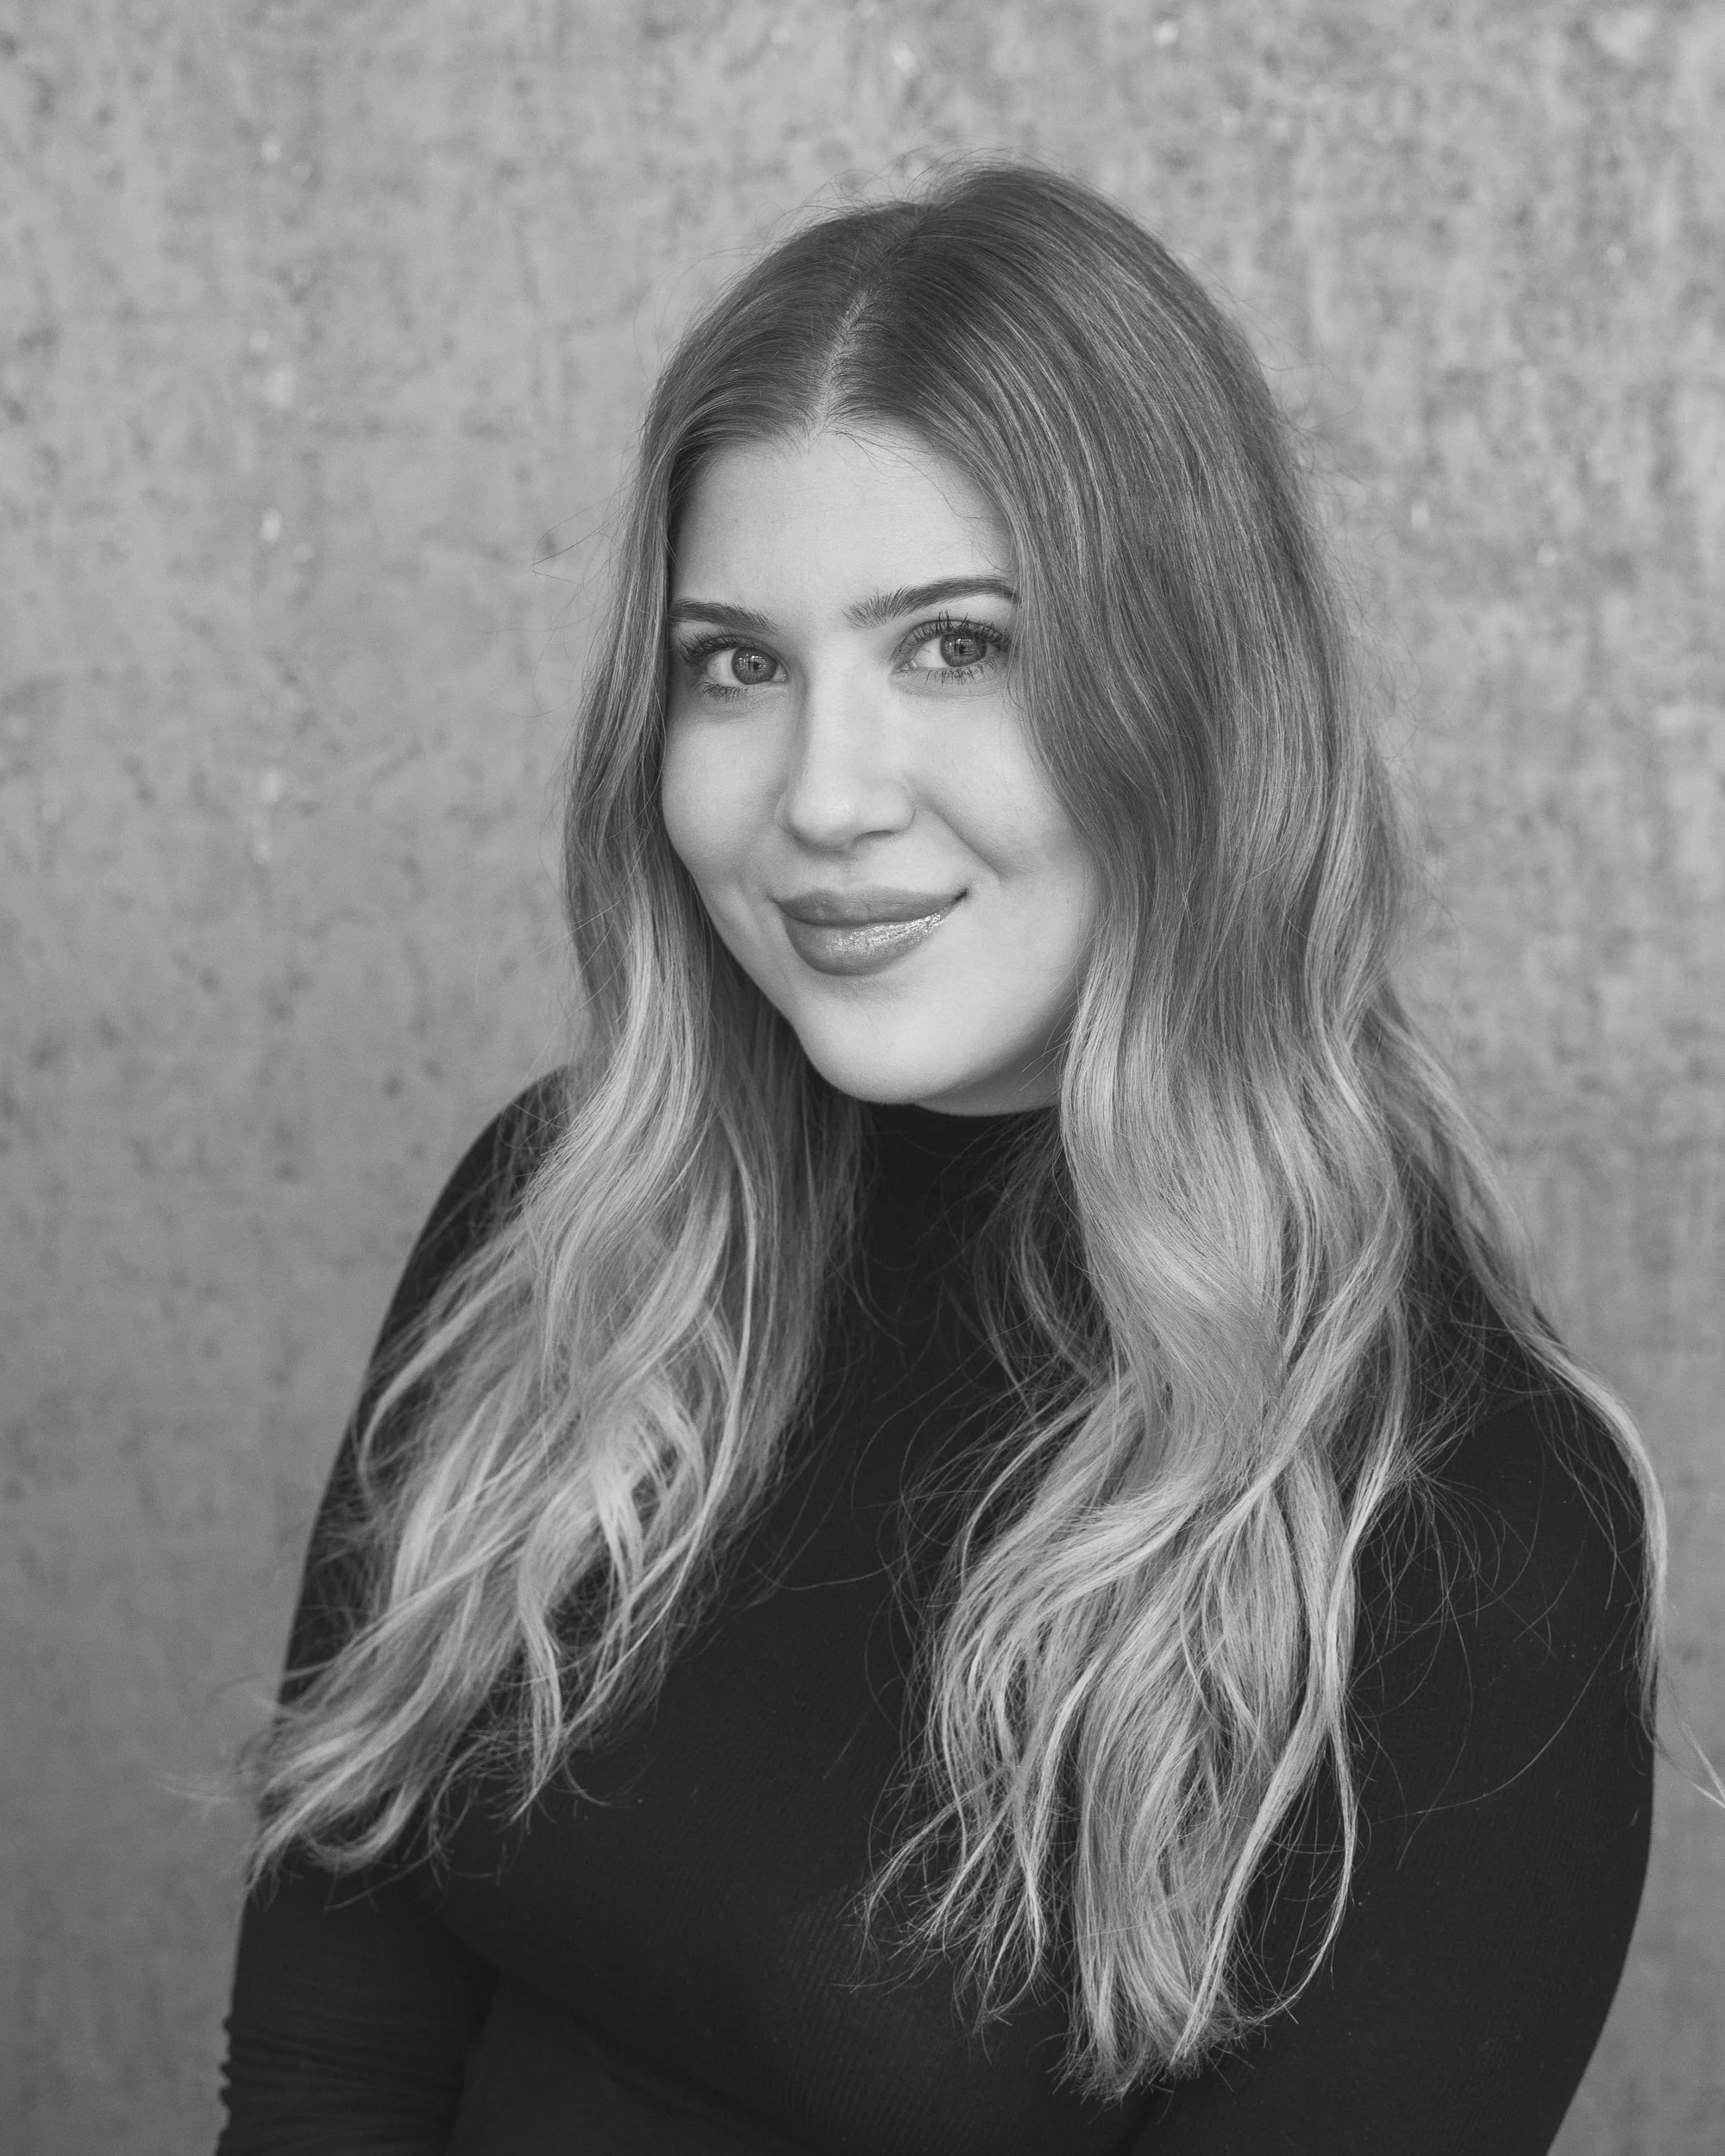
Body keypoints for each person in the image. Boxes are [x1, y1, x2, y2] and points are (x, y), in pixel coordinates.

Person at [213, 160, 1665, 2155]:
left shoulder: (1455, 1536)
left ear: (1202, 701)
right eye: (736, 661)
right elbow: (328, 2054)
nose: (821, 795)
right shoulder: (558, 1225)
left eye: (956, 646)